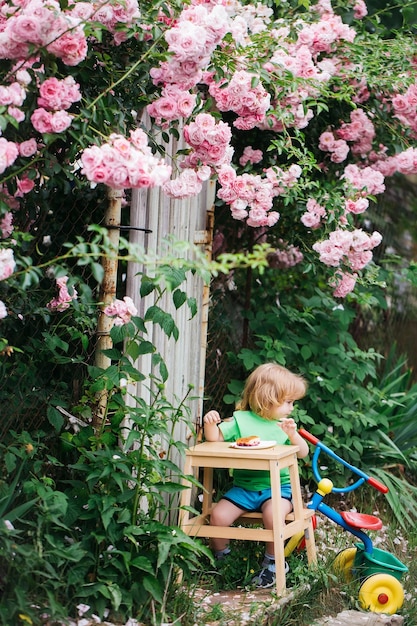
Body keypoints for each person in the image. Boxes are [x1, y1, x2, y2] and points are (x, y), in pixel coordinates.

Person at [203, 362, 309, 589]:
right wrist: (210, 423)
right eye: (288, 402)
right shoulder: (241, 420)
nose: (291, 408)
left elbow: (303, 453)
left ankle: (272, 564)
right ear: (268, 398)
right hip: (244, 487)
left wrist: (293, 436)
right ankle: (225, 560)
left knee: (273, 516)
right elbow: (216, 439)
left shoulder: (284, 425)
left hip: (278, 488)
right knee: (218, 517)